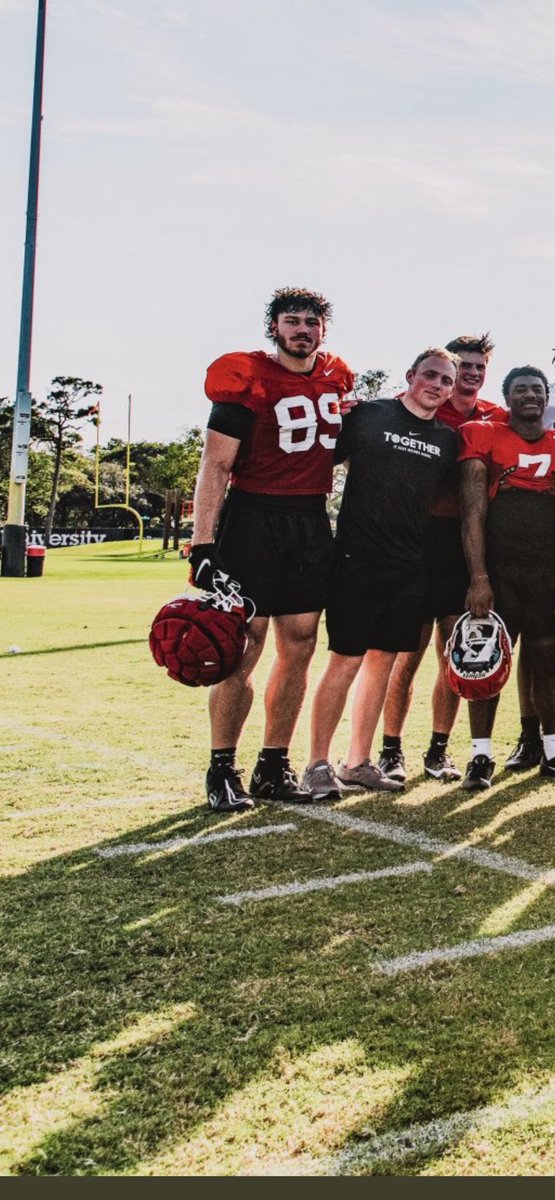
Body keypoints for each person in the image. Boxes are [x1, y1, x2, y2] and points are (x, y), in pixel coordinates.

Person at [189, 287, 355, 812]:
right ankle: (222, 769)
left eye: (311, 321)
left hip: (308, 519)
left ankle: (273, 765)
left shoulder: (336, 376)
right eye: (292, 321)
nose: (302, 329)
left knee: (301, 643)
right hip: (254, 517)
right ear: (275, 328)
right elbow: (215, 466)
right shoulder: (247, 379)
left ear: (323, 329)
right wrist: (202, 544)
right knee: (245, 646)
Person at [301, 348, 459, 801]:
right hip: (356, 561)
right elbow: (318, 464)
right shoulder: (369, 416)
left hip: (409, 566)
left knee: (382, 664)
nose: (438, 385)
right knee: (345, 660)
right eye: (430, 375)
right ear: (410, 376)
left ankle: (357, 762)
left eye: (445, 381)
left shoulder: (447, 440)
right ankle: (316, 762)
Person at [377, 333, 505, 785]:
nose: (470, 374)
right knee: (405, 654)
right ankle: (391, 750)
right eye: (463, 366)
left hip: (464, 544)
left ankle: (438, 749)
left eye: (477, 367)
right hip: (415, 539)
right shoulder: (419, 407)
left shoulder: (495, 417)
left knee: (457, 653)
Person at [459, 365, 555, 788]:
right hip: (499, 571)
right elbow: (473, 514)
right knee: (484, 665)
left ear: (546, 397)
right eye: (521, 389)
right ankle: (481, 756)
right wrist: (479, 577)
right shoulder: (484, 434)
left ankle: (551, 750)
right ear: (508, 398)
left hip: (546, 572)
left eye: (537, 389)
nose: (530, 395)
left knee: (548, 663)